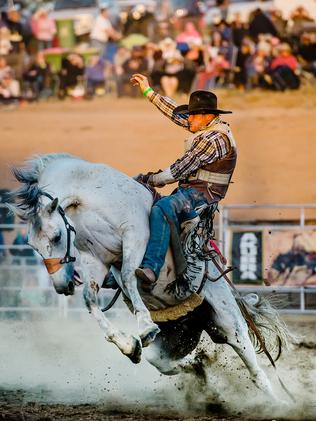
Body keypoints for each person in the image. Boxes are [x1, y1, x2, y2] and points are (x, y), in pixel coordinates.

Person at [130, 73, 237, 289]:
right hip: (191, 191)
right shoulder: (206, 128)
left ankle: (151, 268)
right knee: (151, 206)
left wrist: (149, 179)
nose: (188, 119)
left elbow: (179, 170)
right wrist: (149, 92)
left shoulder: (213, 139)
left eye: (193, 115)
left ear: (206, 116)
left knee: (161, 209)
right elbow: (175, 113)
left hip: (203, 195)